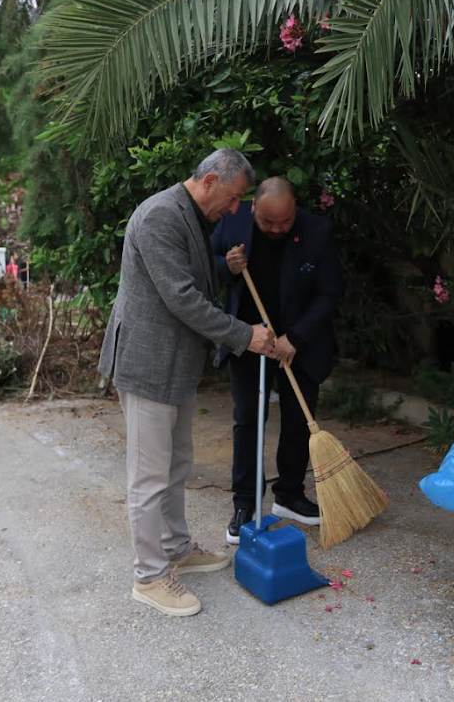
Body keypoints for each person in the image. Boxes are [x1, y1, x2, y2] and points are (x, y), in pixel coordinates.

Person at [97, 148, 277, 618]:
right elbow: (182, 297)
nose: (235, 209)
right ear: (211, 180)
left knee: (177, 464)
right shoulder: (161, 215)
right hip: (146, 363)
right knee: (149, 476)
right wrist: (245, 336)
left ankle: (176, 547)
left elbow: (194, 279)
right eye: (235, 198)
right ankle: (149, 576)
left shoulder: (192, 215)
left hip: (174, 364)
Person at [210, 177, 342, 544]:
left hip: (300, 339)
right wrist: (227, 266)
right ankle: (245, 504)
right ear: (254, 208)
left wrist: (294, 339)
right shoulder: (233, 221)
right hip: (249, 339)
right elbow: (203, 264)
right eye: (269, 223)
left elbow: (329, 293)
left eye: (284, 223)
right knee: (249, 419)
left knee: (300, 420)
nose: (277, 229)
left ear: (294, 210)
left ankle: (289, 495)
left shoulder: (317, 231)